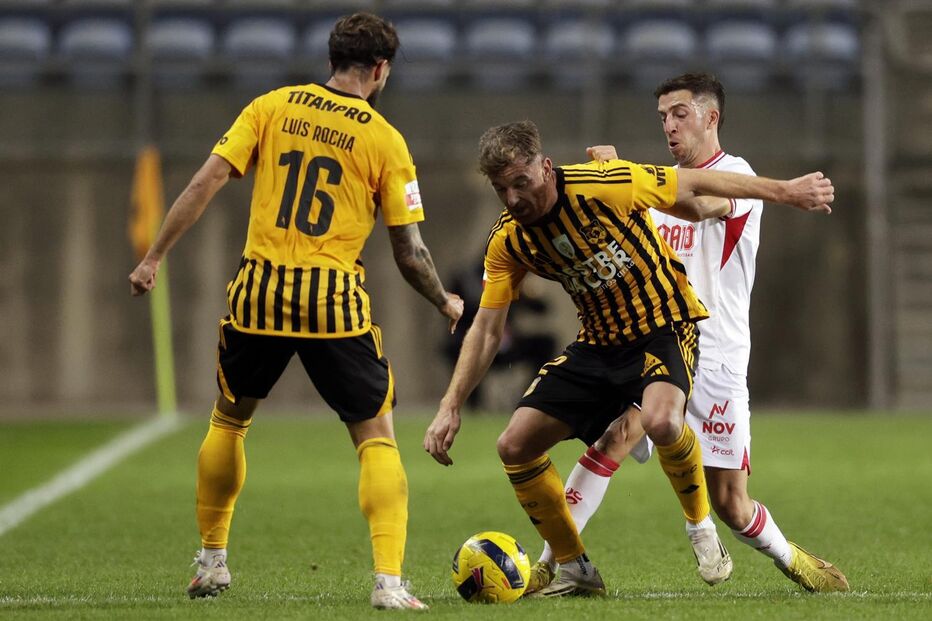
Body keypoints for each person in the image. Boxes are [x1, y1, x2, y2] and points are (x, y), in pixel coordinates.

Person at [128, 12, 463, 610]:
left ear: (332, 57)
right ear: (380, 69)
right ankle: (387, 582)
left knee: (229, 419)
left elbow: (205, 181)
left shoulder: (271, 106)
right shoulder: (384, 139)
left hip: (256, 293)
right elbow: (409, 251)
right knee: (375, 438)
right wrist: (443, 299)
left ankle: (211, 561)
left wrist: (154, 256)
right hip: (331, 303)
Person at [423, 119, 834, 597]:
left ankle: (700, 527)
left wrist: (787, 191)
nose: (513, 198)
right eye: (501, 189)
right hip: (599, 344)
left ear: (547, 169)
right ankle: (575, 568)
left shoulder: (606, 184)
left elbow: (696, 185)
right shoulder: (508, 240)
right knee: (514, 445)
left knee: (667, 428)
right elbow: (488, 327)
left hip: (665, 326)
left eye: (521, 182)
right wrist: (450, 404)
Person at [527, 73, 849, 595]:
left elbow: (697, 205)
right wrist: (616, 182)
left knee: (730, 503)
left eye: (680, 114)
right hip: (660, 342)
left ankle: (792, 558)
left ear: (711, 116)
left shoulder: (735, 176)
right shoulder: (662, 179)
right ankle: (556, 562)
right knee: (614, 435)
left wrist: (621, 173)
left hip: (717, 354)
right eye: (662, 118)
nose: (669, 127)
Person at [443, 256, 557, 410]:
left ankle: (531, 398)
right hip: (474, 340)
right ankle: (471, 405)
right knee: (459, 346)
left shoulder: (513, 276)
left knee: (546, 342)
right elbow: (460, 310)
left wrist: (529, 293)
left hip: (506, 341)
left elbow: (542, 310)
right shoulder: (466, 278)